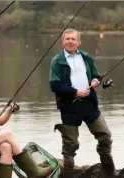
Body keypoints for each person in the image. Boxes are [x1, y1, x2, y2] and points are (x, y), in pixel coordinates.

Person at [49, 29, 116, 177]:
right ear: (63, 42)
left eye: (73, 39)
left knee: (105, 136)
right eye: (67, 39)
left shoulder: (86, 57)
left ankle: (111, 174)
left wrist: (95, 81)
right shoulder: (57, 61)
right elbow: (54, 86)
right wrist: (75, 92)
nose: (70, 42)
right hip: (69, 108)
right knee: (70, 146)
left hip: (90, 105)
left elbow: (95, 76)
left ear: (78, 42)